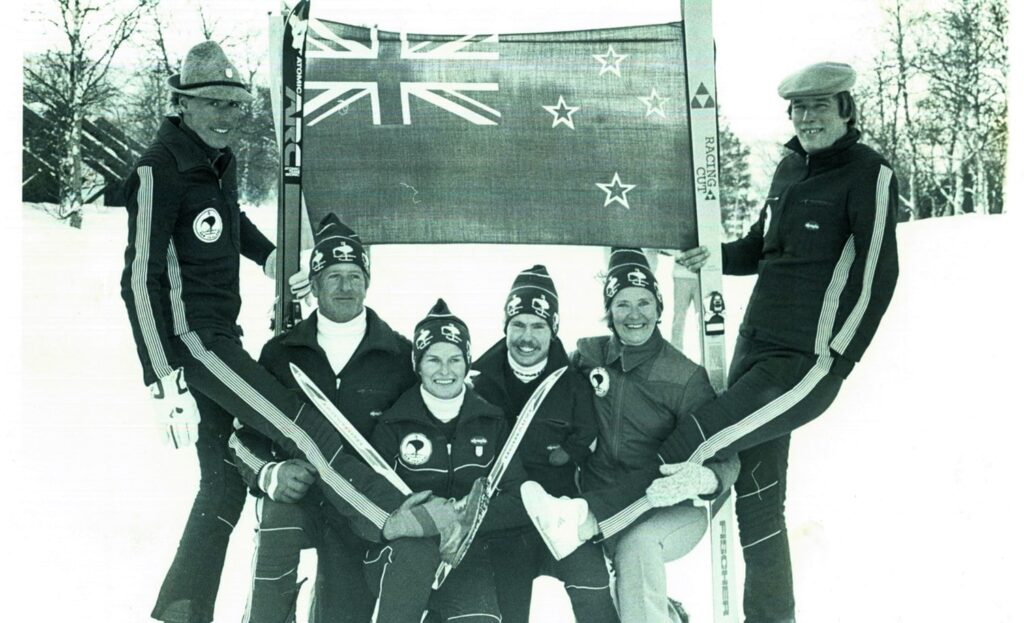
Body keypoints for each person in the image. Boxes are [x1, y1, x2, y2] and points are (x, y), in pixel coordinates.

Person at [526, 62, 900, 623]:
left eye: (821, 107)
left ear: (846, 110)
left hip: (802, 363)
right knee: (758, 506)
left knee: (692, 440)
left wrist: (837, 359)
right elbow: (760, 247)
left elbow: (878, 274)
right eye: (799, 109)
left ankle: (588, 520)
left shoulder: (868, 173)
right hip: (754, 350)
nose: (808, 118)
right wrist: (715, 257)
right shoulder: (790, 168)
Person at [119, 42, 450, 623]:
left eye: (235, 105)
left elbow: (228, 224)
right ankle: (390, 517)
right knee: (298, 424)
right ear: (182, 104)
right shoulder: (159, 169)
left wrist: (270, 257)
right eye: (214, 104)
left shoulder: (219, 162)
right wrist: (162, 377)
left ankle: (180, 611)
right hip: (193, 342)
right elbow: (138, 280)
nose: (227, 117)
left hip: (223, 334)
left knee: (222, 486)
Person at [228, 215, 445, 622]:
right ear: (313, 283)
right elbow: (243, 436)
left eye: (354, 275)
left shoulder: (397, 356)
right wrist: (268, 472)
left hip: (363, 510)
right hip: (305, 501)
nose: (346, 287)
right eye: (333, 276)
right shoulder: (281, 353)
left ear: (367, 281)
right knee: (278, 515)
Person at [520, 249, 738, 623]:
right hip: (595, 499)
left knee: (636, 549)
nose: (634, 314)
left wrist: (706, 478)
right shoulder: (589, 354)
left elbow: (725, 455)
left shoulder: (685, 377)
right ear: (609, 309)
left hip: (666, 509)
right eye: (622, 304)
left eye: (644, 303)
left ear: (658, 307)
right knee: (614, 589)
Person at [366, 299, 531, 623]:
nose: (445, 371)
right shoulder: (393, 423)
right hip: (405, 557)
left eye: (455, 359)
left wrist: (462, 518)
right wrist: (426, 522)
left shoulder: (490, 420)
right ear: (418, 364)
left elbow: (517, 497)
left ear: (467, 361)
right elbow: (374, 498)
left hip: (465, 558)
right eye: (433, 360)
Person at [471, 265, 618, 623]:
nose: (527, 337)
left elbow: (586, 433)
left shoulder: (571, 383)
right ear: (505, 326)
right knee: (507, 604)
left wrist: (570, 453)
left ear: (553, 330)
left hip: (560, 510)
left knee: (593, 589)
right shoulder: (478, 382)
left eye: (538, 326)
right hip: (506, 515)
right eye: (518, 324)